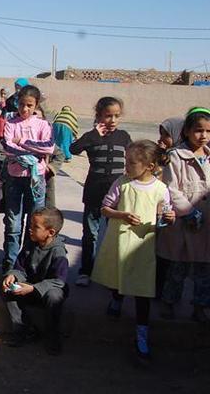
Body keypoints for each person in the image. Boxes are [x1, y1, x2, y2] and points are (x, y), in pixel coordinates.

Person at [93, 140, 173, 363]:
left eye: (131, 162)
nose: (126, 166)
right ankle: (116, 299)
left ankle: (142, 336)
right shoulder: (122, 183)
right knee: (118, 277)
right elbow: (105, 208)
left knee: (142, 290)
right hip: (120, 242)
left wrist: (168, 218)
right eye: (126, 161)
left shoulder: (160, 189)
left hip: (143, 247)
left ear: (148, 165)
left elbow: (164, 217)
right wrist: (122, 215)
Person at [69, 97, 131, 287]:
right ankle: (86, 271)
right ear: (99, 116)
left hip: (117, 196)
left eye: (116, 116)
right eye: (108, 116)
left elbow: (135, 157)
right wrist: (92, 134)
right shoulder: (92, 136)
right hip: (94, 193)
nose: (112, 120)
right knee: (90, 234)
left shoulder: (123, 136)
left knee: (115, 235)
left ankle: (111, 272)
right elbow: (73, 149)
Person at [157, 107, 210, 323]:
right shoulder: (176, 156)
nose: (203, 136)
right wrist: (189, 212)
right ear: (186, 131)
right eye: (198, 130)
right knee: (177, 269)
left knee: (204, 271)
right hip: (184, 222)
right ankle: (169, 304)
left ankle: (199, 306)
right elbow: (171, 188)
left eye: (208, 131)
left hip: (206, 225)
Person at [1, 207, 68, 355]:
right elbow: (20, 267)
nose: (30, 230)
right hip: (29, 287)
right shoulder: (31, 243)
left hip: (46, 291)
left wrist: (33, 289)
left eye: (35, 227)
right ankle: (24, 329)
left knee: (55, 296)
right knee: (5, 286)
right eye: (30, 226)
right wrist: (13, 275)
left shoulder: (58, 252)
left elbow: (59, 281)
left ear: (50, 232)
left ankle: (52, 336)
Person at [1, 85, 54, 272]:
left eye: (29, 105)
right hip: (15, 178)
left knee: (35, 223)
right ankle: (10, 264)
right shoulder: (11, 123)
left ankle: (28, 264)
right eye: (22, 104)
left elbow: (48, 148)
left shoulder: (43, 125)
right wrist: (32, 153)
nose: (25, 109)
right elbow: (7, 148)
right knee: (13, 223)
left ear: (36, 105)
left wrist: (22, 143)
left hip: (36, 179)